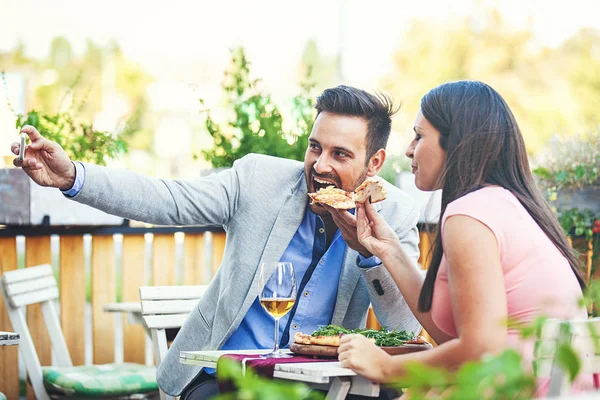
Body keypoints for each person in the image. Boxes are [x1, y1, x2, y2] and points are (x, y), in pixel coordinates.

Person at [11, 85, 422, 399]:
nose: (320, 165)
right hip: (223, 377)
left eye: (340, 154)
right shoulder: (258, 180)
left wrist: (372, 254)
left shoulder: (395, 215)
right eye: (315, 147)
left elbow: (405, 331)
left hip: (320, 386)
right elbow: (167, 199)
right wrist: (72, 178)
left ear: (375, 163)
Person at [336, 80, 592, 397]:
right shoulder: (507, 204)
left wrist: (386, 367)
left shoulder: (469, 215)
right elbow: (453, 338)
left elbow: (481, 349)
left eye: (419, 135)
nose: (409, 149)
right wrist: (388, 249)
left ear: (455, 140)